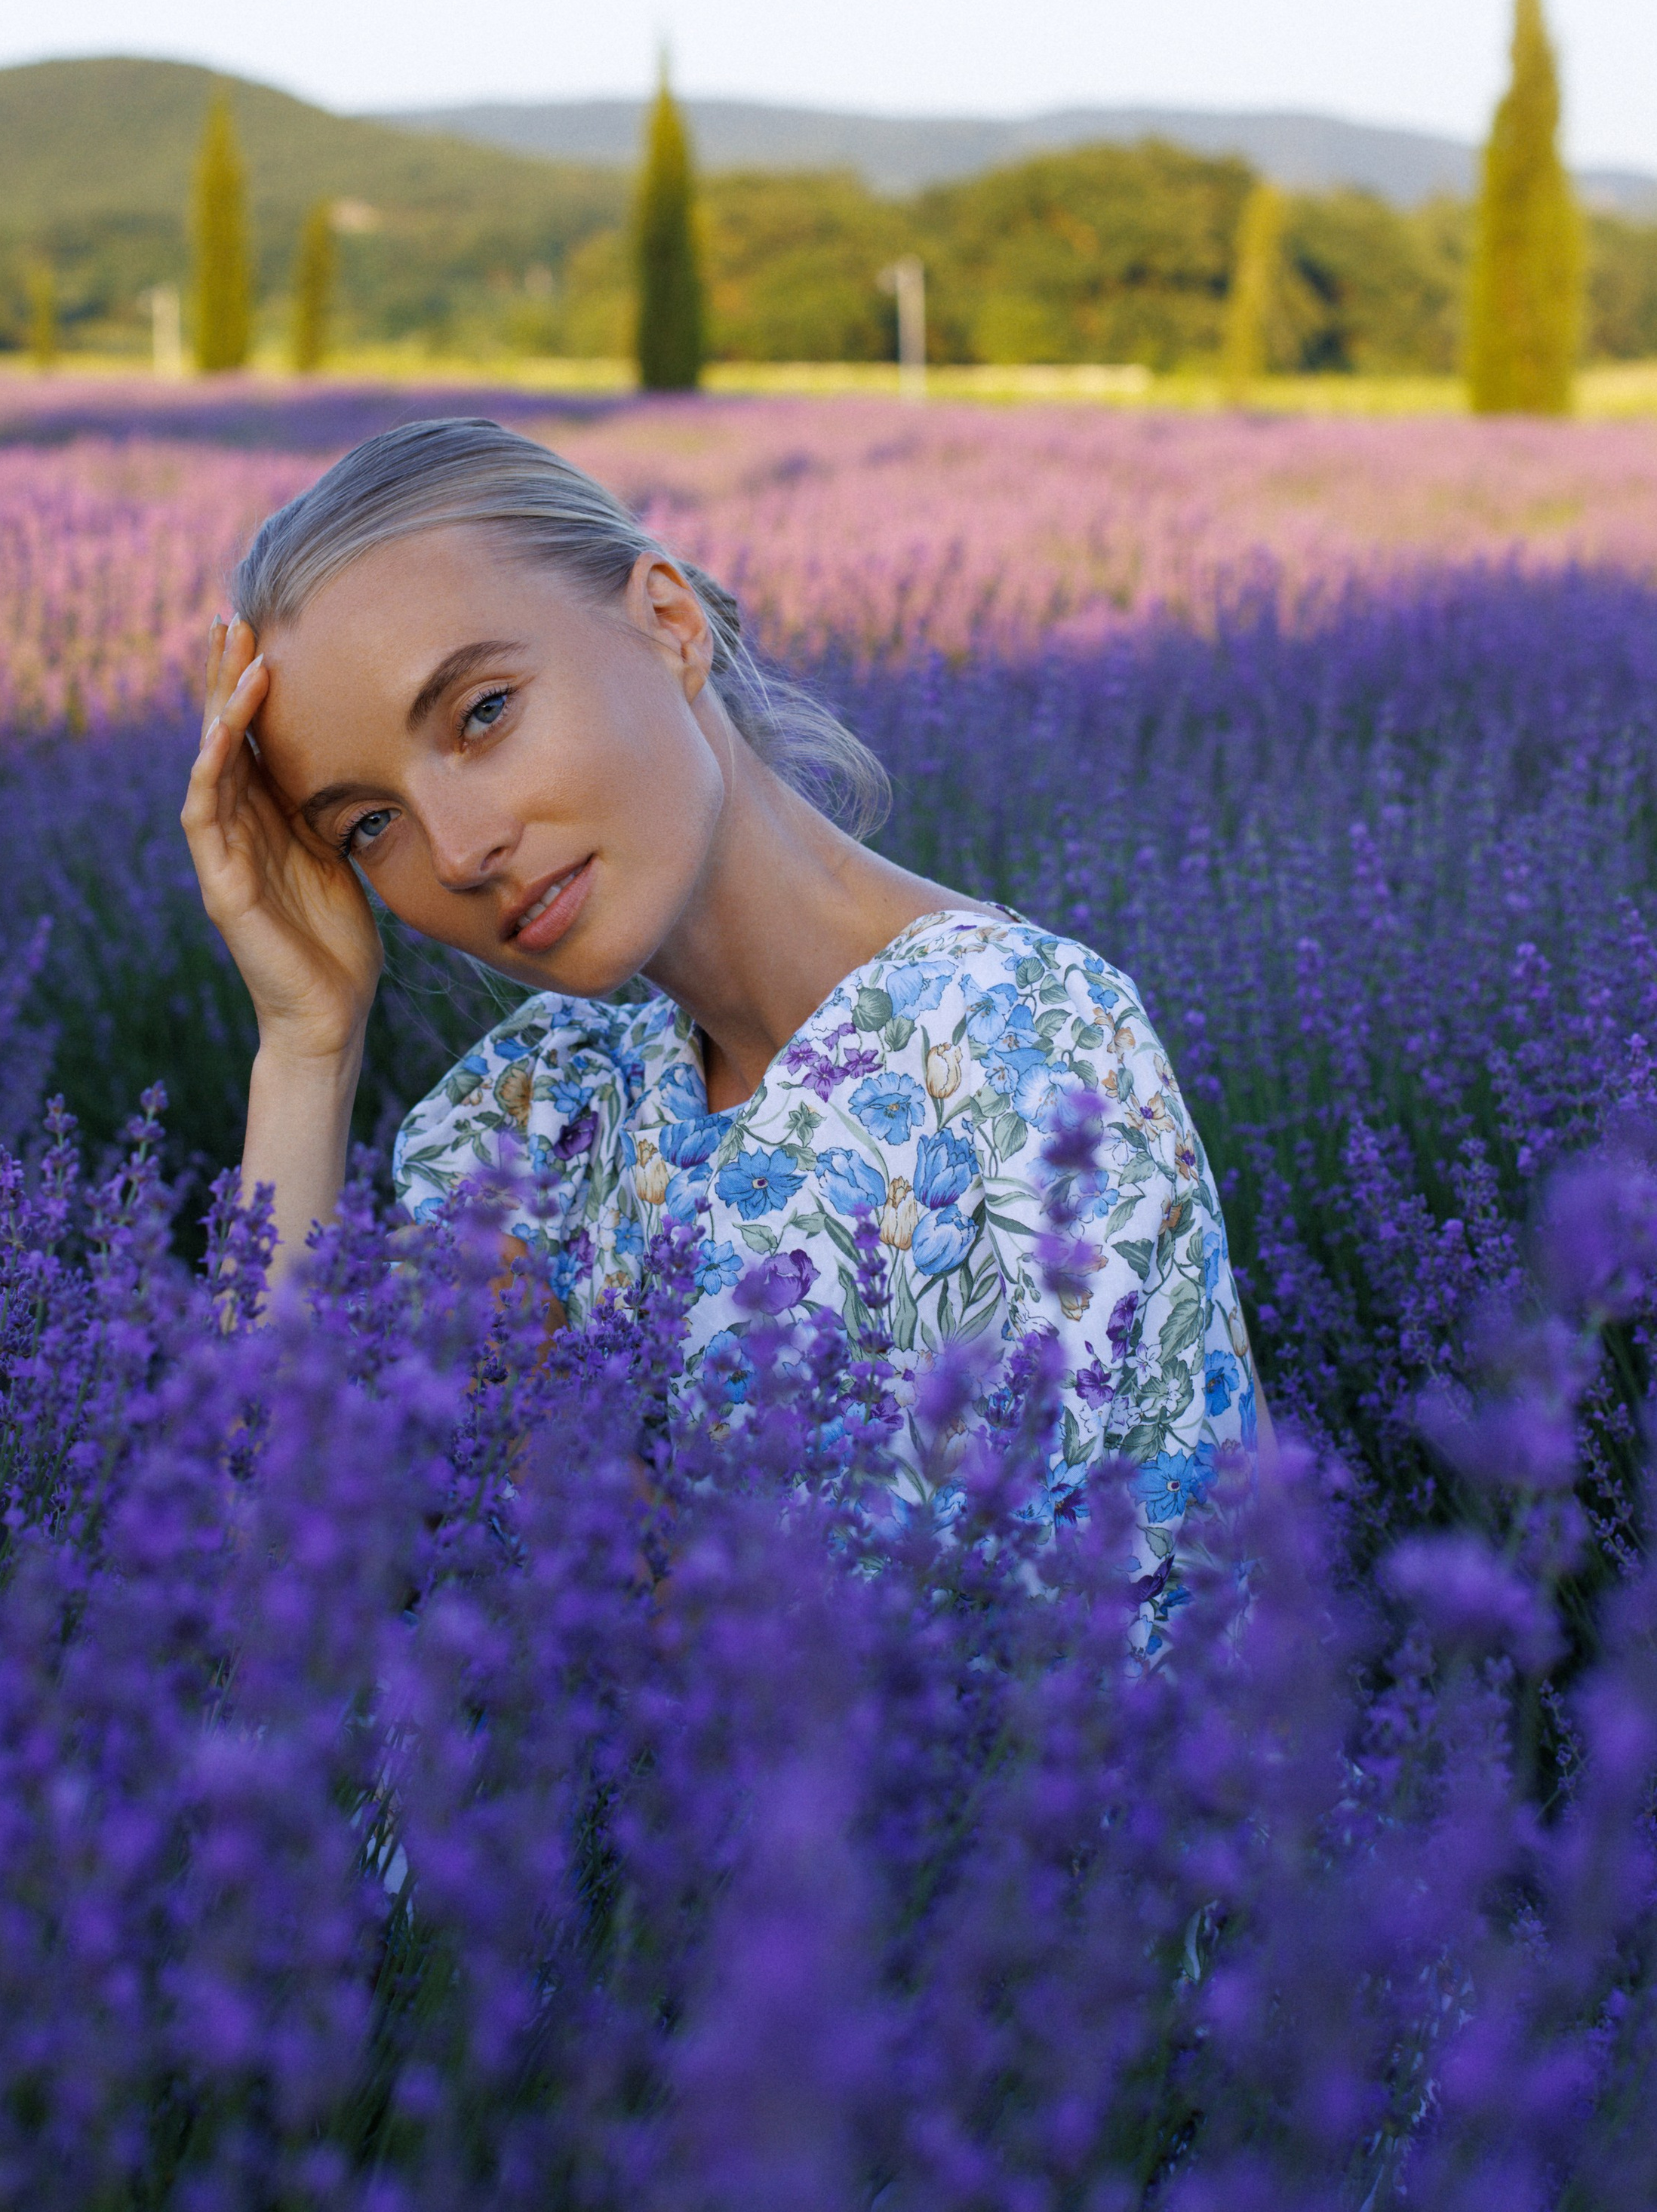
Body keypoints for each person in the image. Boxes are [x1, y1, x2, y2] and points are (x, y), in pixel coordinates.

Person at [183, 418, 1265, 1642]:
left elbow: (1016, 1723)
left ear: (669, 621)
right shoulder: (525, 1112)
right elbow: (275, 1596)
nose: (457, 846)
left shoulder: (1026, 1046)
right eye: (366, 825)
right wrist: (306, 1045)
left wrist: (562, 1445)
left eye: (482, 711)